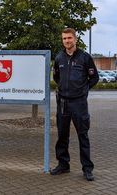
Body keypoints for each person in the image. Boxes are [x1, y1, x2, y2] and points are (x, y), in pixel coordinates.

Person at [51, 28, 99, 181]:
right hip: (63, 102)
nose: (67, 41)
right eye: (64, 38)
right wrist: (64, 89)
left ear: (75, 39)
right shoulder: (59, 58)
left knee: (82, 135)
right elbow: (56, 77)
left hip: (79, 103)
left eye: (69, 38)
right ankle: (63, 165)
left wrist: (83, 90)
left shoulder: (85, 57)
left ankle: (87, 169)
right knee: (62, 136)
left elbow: (94, 78)